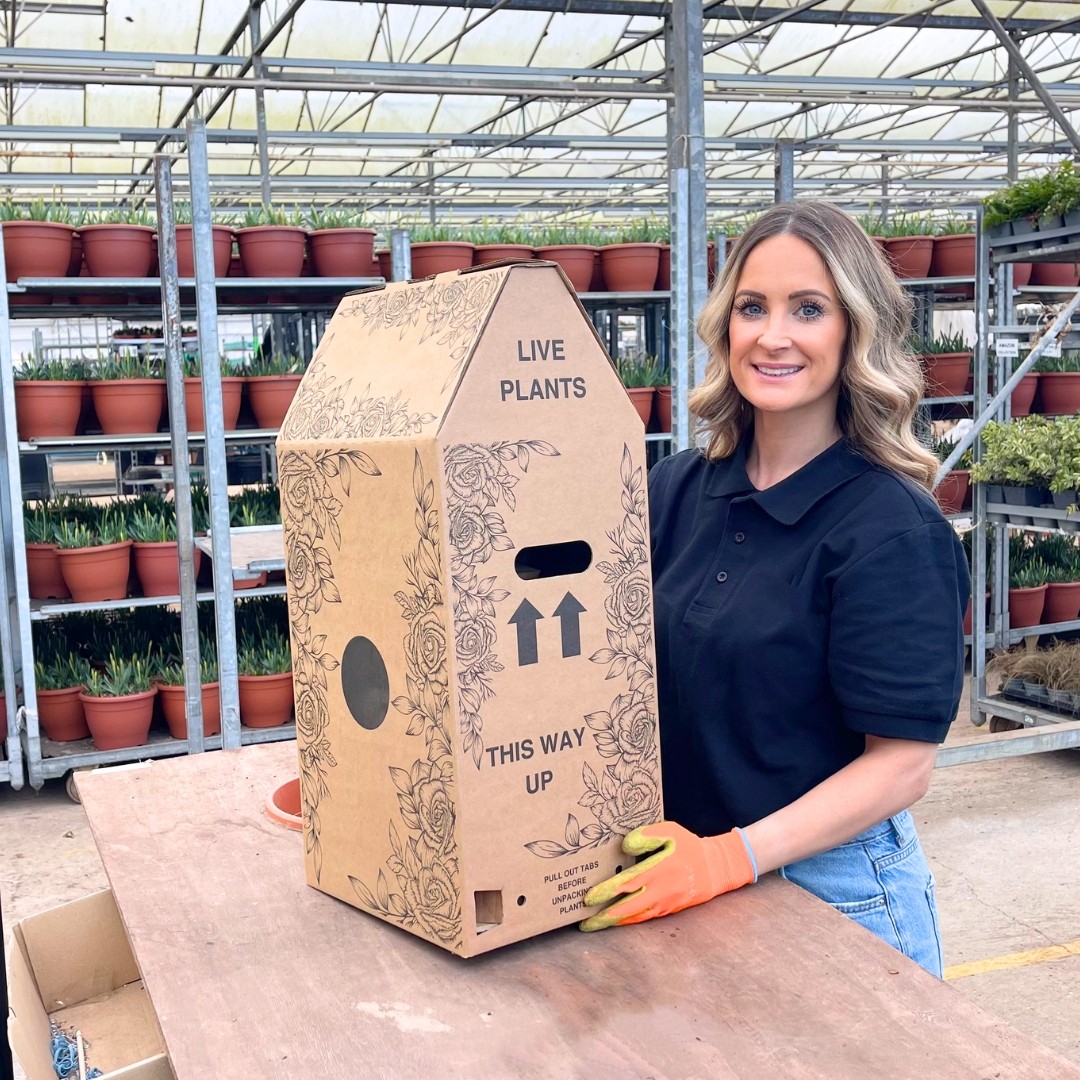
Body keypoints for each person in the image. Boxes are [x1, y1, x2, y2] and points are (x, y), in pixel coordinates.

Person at [579, 201, 969, 978]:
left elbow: (901, 765)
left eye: (809, 309)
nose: (773, 335)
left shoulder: (889, 528)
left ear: (853, 331)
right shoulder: (678, 489)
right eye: (752, 307)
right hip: (684, 863)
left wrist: (732, 859)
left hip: (830, 888)